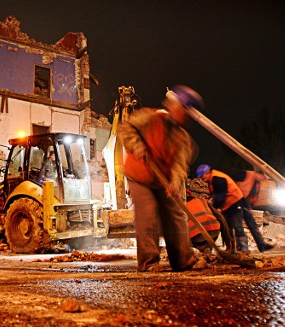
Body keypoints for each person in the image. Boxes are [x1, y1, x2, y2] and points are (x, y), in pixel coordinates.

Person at [117, 85, 204, 272]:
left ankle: (183, 261)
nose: (184, 117)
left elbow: (179, 165)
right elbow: (125, 128)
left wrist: (175, 182)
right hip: (139, 175)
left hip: (161, 180)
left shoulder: (182, 138)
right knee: (148, 213)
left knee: (175, 216)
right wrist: (137, 145)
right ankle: (149, 263)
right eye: (182, 111)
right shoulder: (150, 117)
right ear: (174, 106)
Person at [196, 164, 274, 253]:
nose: (202, 179)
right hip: (239, 200)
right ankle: (260, 245)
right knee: (250, 223)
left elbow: (220, 196)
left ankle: (243, 249)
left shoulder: (217, 179)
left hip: (234, 203)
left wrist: (214, 208)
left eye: (203, 177)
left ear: (207, 172)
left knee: (238, 226)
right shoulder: (214, 177)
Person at [232, 170, 275, 252]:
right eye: (263, 177)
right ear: (259, 174)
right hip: (236, 202)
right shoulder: (246, 174)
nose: (264, 179)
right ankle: (242, 248)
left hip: (244, 202)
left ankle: (261, 245)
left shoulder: (256, 182)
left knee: (252, 225)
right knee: (238, 226)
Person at [185, 190, 220, 255]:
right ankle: (207, 248)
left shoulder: (182, 206)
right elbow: (219, 216)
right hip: (215, 230)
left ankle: (203, 248)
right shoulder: (202, 200)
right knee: (207, 243)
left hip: (197, 234)